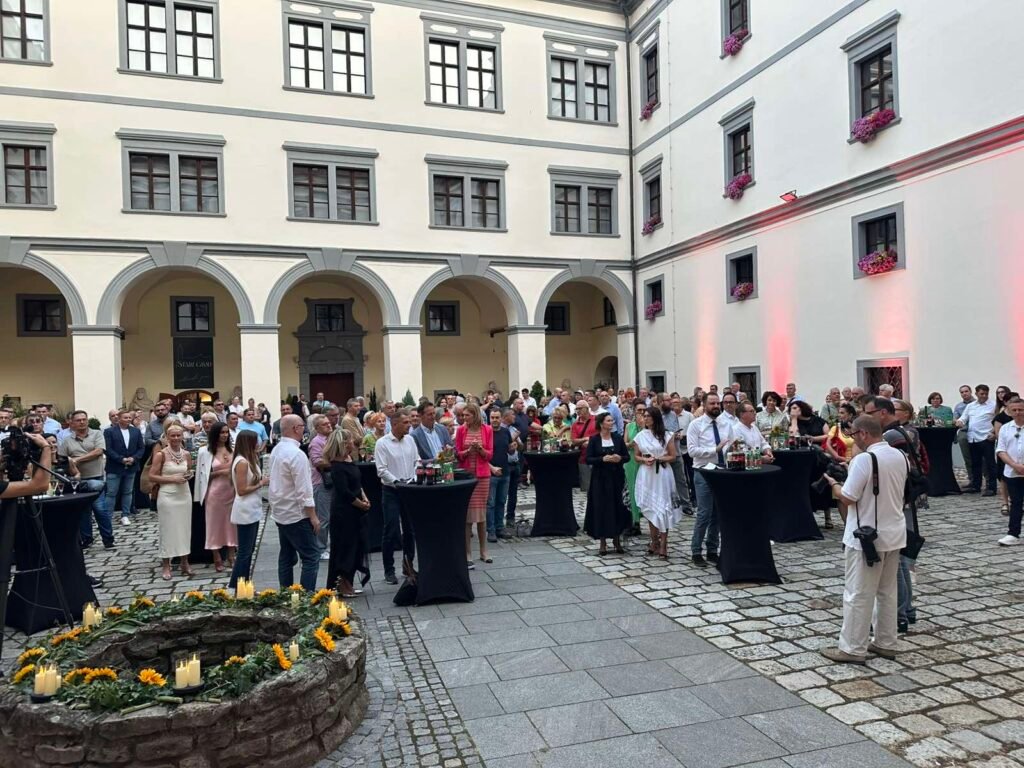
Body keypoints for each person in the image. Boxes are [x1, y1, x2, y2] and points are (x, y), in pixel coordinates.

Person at [821, 415, 907, 664]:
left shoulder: (864, 459)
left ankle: (852, 647)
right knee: (887, 592)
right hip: (894, 531)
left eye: (853, 434)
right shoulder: (899, 455)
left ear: (863, 434)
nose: (853, 439)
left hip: (866, 535)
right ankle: (886, 642)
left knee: (857, 593)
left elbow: (848, 497)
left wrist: (834, 484)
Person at [270, 415, 320, 590]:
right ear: (296, 429)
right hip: (296, 513)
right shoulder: (297, 455)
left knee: (286, 555)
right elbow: (304, 490)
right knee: (311, 556)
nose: (304, 429)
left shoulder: (277, 449)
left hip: (281, 510)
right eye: (302, 426)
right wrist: (312, 516)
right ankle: (307, 596)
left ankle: (285, 593)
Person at [687, 393, 733, 567]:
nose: (715, 406)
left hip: (722, 471)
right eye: (712, 403)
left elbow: (730, 445)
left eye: (717, 403)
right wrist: (715, 449)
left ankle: (712, 550)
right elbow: (692, 451)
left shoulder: (726, 424)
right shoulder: (696, 425)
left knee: (717, 514)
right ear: (704, 405)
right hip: (703, 471)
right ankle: (696, 551)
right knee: (704, 513)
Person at [59, 410, 114, 550]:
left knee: (100, 509)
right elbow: (63, 459)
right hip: (78, 480)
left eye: (84, 419)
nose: (82, 422)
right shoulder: (67, 441)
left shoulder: (97, 434)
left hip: (96, 477)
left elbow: (98, 451)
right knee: (83, 511)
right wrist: (70, 464)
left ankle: (108, 538)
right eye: (78, 420)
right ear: (72, 423)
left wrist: (76, 460)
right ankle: (86, 538)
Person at [374, 409, 418, 584]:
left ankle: (408, 565)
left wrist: (413, 479)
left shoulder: (410, 440)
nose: (409, 425)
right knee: (391, 529)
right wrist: (397, 482)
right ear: (394, 424)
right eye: (405, 422)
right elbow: (381, 470)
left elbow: (417, 461)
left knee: (410, 529)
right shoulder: (382, 443)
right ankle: (389, 570)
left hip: (409, 488)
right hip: (391, 490)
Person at [326, 428, 370, 595]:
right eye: (351, 440)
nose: (353, 442)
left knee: (356, 545)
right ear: (344, 443)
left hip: (356, 509)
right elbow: (344, 492)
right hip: (344, 512)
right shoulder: (336, 466)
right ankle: (341, 583)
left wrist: (364, 497)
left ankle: (349, 580)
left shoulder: (349, 459)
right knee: (345, 547)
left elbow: (358, 483)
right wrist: (360, 504)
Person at [149, 424, 193, 580]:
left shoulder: (186, 454)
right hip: (167, 495)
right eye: (172, 435)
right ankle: (166, 564)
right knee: (167, 529)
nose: (175, 438)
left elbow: (188, 470)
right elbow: (152, 476)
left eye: (178, 435)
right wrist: (172, 479)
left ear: (182, 436)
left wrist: (188, 475)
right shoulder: (161, 454)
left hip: (184, 494)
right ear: (167, 437)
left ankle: (184, 562)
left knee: (184, 529)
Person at [634, 407, 679, 559]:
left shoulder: (667, 435)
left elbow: (673, 456)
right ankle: (654, 541)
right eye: (644, 416)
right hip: (647, 474)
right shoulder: (640, 436)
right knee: (650, 507)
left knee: (663, 507)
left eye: (648, 416)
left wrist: (659, 458)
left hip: (662, 474)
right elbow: (636, 456)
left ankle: (664, 543)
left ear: (655, 418)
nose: (645, 418)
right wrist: (644, 459)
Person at [584, 412, 631, 556]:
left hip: (616, 478)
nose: (612, 423)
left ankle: (617, 539)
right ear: (601, 423)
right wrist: (602, 459)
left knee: (617, 507)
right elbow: (588, 459)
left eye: (612, 420)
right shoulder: (594, 440)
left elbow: (627, 457)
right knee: (601, 508)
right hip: (600, 479)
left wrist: (619, 458)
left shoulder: (617, 438)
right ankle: (602, 541)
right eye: (609, 421)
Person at [194, 422, 237, 573]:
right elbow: (202, 475)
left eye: (226, 432)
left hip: (231, 491)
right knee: (214, 525)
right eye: (221, 433)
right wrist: (220, 473)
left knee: (232, 524)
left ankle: (231, 555)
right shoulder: (204, 451)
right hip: (214, 492)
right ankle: (216, 556)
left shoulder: (232, 449)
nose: (224, 435)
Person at [456, 403, 494, 567]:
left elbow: (490, 454)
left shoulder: (487, 430)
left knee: (481, 515)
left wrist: (479, 449)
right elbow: (458, 453)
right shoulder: (461, 430)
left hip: (482, 477)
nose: (464, 418)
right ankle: (467, 553)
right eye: (463, 415)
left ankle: (484, 551)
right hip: (466, 476)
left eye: (467, 415)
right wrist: (467, 451)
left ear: (475, 415)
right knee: (467, 516)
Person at [229, 430, 267, 589]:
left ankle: (244, 585)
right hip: (245, 510)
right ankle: (237, 586)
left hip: (252, 508)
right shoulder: (242, 462)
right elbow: (241, 489)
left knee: (249, 550)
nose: (258, 444)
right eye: (255, 441)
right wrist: (261, 483)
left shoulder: (249, 459)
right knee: (244, 552)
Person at [104, 409, 145, 526]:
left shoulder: (136, 431)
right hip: (114, 466)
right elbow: (108, 449)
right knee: (111, 492)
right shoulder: (109, 431)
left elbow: (141, 448)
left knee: (128, 491)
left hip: (131, 466)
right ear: (119, 418)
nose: (128, 419)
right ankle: (107, 517)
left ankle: (125, 515)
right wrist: (120, 459)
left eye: (129, 417)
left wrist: (134, 458)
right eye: (125, 417)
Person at [956, 384, 997, 495]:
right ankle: (976, 486)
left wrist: (994, 433)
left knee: (989, 464)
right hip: (972, 438)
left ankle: (992, 487)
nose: (984, 396)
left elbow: (998, 420)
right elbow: (963, 418)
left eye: (986, 394)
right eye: (981, 394)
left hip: (986, 437)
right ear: (976, 394)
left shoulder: (993, 405)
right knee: (975, 463)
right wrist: (960, 422)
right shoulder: (971, 406)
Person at [996, 397, 1024, 546]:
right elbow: (1001, 450)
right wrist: (1014, 465)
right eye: (1015, 410)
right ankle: (1013, 533)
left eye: (1021, 410)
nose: (1018, 412)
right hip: (1012, 472)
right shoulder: (1006, 428)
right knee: (1016, 502)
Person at [486, 408, 512, 543]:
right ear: (489, 418)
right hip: (491, 473)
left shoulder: (505, 431)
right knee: (490, 503)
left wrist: (512, 448)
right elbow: (482, 455)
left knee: (501, 501)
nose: (495, 420)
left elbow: (509, 449)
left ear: (501, 418)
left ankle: (500, 527)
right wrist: (491, 468)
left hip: (505, 471)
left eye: (497, 417)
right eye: (492, 418)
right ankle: (491, 530)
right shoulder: (486, 432)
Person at [623, 400, 646, 530]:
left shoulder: (649, 427)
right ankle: (634, 521)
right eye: (639, 410)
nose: (641, 413)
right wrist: (630, 444)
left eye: (644, 410)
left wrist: (644, 427)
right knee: (632, 489)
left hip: (644, 459)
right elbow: (624, 443)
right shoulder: (629, 426)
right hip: (631, 459)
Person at [501, 408, 522, 528]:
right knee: (503, 494)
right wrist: (513, 438)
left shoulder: (513, 429)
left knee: (513, 494)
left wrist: (518, 442)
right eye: (512, 414)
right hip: (506, 465)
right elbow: (503, 445)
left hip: (515, 463)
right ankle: (499, 519)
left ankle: (511, 517)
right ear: (505, 417)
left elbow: (521, 446)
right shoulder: (501, 430)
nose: (514, 417)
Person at [571, 401, 598, 493]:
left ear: (586, 408)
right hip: (583, 458)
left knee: (599, 486)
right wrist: (586, 439)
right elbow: (574, 441)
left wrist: (591, 441)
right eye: (576, 409)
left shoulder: (596, 420)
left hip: (597, 457)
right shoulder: (575, 424)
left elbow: (603, 435)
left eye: (580, 408)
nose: (578, 411)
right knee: (587, 488)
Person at [953, 384, 975, 473]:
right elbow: (955, 419)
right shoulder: (958, 406)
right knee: (967, 457)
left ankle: (987, 478)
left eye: (966, 391)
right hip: (964, 431)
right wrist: (956, 421)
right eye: (962, 392)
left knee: (982, 458)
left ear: (971, 392)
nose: (964, 393)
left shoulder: (977, 404)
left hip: (976, 431)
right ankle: (971, 478)